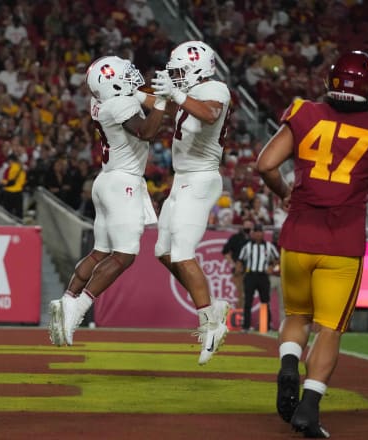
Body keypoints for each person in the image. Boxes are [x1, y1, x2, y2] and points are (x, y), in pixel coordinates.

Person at [256, 50, 368, 438]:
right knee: (330, 329)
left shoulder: (304, 112)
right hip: (342, 242)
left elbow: (266, 163)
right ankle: (308, 408)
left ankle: (289, 365)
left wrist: (284, 193)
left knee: (297, 316)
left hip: (298, 235)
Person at [48, 56, 167, 348]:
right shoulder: (118, 104)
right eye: (125, 73)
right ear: (111, 81)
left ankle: (66, 301)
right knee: (124, 254)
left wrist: (166, 98)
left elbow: (146, 105)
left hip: (107, 179)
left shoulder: (103, 102)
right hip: (123, 182)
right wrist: (164, 101)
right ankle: (78, 309)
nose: (132, 75)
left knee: (100, 252)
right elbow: (147, 130)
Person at [149, 40, 232, 365]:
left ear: (199, 69)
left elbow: (210, 114)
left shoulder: (215, 89)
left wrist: (179, 94)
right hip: (182, 179)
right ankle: (213, 308)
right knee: (163, 252)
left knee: (183, 253)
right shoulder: (189, 93)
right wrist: (133, 95)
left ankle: (210, 323)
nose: (177, 77)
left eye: (181, 71)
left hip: (201, 177)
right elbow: (174, 110)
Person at [237, 223, 279, 332]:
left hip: (263, 276)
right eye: (256, 231)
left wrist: (271, 267)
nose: (259, 234)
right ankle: (246, 326)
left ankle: (267, 326)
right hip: (250, 275)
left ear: (263, 233)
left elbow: (277, 259)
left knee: (265, 300)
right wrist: (239, 272)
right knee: (248, 301)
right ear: (253, 233)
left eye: (260, 231)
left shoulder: (269, 246)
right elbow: (240, 260)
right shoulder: (247, 246)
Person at [222, 219, 254, 309]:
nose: (248, 228)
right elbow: (226, 251)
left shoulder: (254, 239)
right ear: (242, 227)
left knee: (248, 294)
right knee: (240, 293)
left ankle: (246, 315)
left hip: (252, 271)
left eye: (250, 226)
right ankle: (240, 315)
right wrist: (233, 264)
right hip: (239, 270)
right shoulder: (236, 238)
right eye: (246, 226)